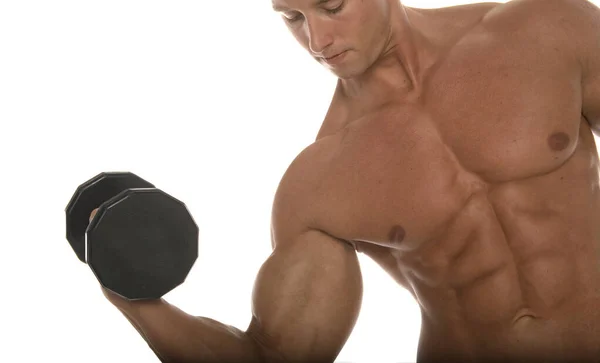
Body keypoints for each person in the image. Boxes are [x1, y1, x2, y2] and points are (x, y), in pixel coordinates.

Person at [94, 0, 600, 361]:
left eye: (331, 7)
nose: (317, 41)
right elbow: (270, 358)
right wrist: (125, 288)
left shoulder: (548, 29)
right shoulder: (316, 185)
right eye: (292, 17)